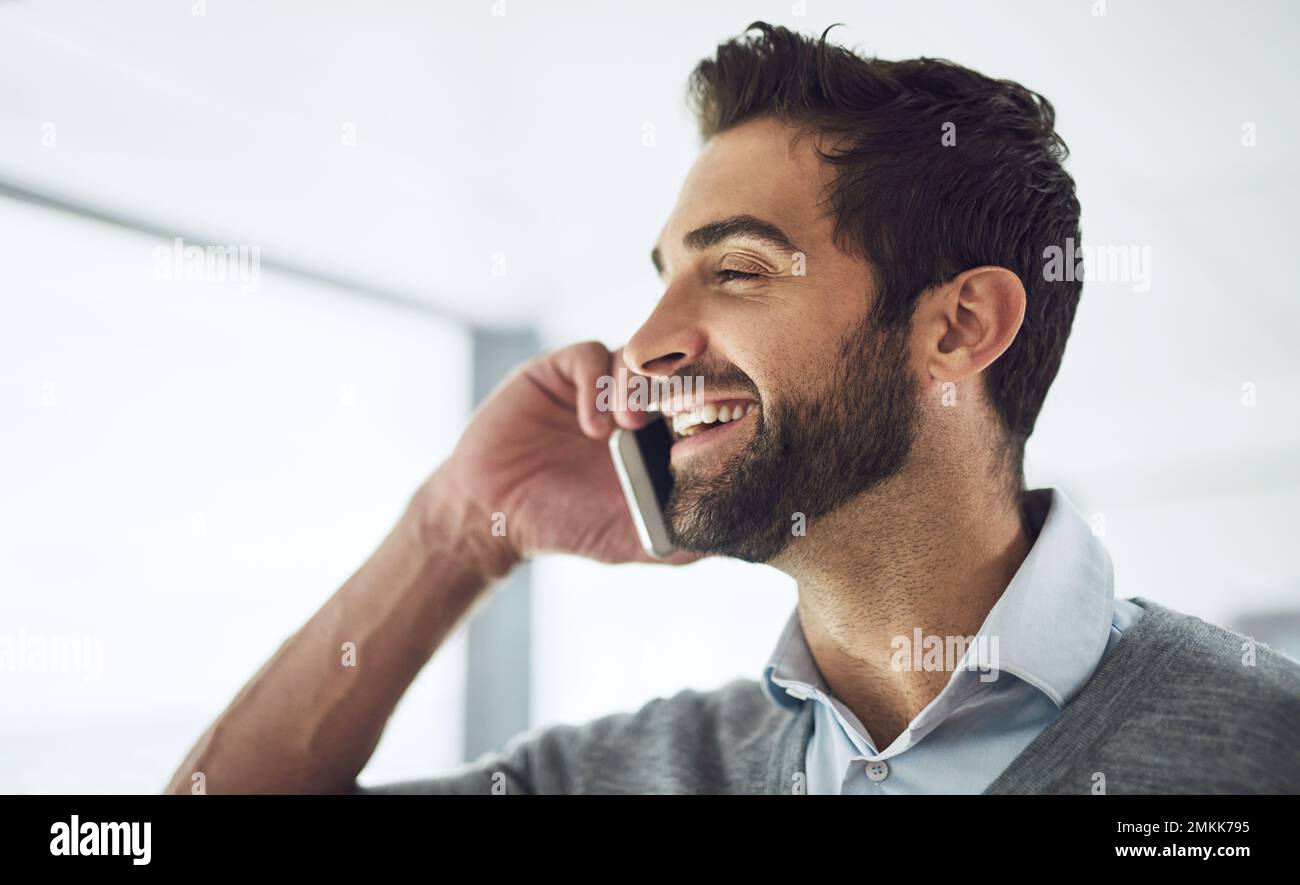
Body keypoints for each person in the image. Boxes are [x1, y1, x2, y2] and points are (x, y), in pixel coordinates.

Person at [166, 22, 1300, 796]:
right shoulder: (651, 769)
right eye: (662, 273)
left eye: (740, 269)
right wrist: (457, 527)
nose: (647, 341)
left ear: (957, 329)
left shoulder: (1263, 746)